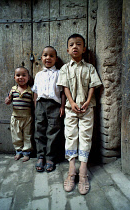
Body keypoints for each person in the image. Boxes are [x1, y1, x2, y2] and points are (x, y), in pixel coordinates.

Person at [57, 34, 102, 194]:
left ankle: (83, 171)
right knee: (70, 135)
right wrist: (72, 102)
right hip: (71, 108)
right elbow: (65, 87)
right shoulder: (64, 68)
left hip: (87, 108)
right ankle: (71, 171)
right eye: (71, 44)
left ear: (83, 48)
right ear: (68, 49)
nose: (75, 46)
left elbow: (92, 86)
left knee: (85, 135)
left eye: (78, 44)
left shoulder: (89, 67)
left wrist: (88, 101)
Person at [32, 46, 65, 173]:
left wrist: (62, 106)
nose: (48, 58)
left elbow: (62, 92)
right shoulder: (39, 75)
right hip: (40, 104)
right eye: (45, 55)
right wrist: (36, 106)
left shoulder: (59, 74)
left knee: (53, 131)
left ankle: (50, 157)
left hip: (54, 105)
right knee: (39, 130)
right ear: (41, 58)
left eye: (51, 56)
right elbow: (35, 91)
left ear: (56, 59)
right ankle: (40, 156)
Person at [5, 66, 34, 162]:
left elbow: (34, 103)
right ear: (14, 78)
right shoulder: (13, 90)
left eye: (24, 75)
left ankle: (26, 152)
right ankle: (18, 151)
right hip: (16, 117)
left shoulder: (31, 91)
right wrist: (8, 100)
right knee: (16, 135)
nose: (21, 77)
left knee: (27, 135)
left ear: (28, 78)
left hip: (27, 118)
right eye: (18, 75)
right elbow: (8, 101)